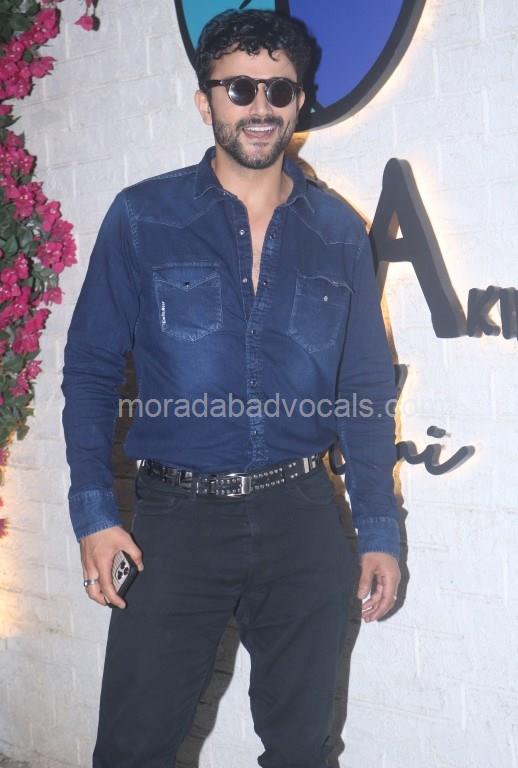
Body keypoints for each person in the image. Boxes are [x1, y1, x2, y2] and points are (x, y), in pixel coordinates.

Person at [61, 9, 402, 767]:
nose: (261, 106)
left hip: (302, 515)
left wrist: (378, 528)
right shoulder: (143, 217)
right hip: (175, 524)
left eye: (279, 90)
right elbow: (89, 370)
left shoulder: (338, 232)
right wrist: (95, 514)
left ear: (300, 102)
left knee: (303, 749)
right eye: (240, 87)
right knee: (133, 748)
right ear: (205, 100)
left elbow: (364, 387)